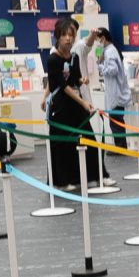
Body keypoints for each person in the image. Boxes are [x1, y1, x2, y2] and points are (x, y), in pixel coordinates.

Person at [45, 19, 102, 190]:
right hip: (61, 106)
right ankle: (61, 181)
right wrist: (83, 102)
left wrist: (82, 80)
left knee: (88, 138)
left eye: (71, 35)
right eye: (64, 35)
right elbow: (62, 85)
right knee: (62, 145)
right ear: (57, 37)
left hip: (75, 104)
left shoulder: (74, 57)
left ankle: (94, 176)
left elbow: (75, 78)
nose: (68, 39)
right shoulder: (52, 59)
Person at [91, 28, 133, 151]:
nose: (98, 43)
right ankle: (121, 146)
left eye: (98, 40)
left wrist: (100, 66)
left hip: (116, 94)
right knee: (116, 121)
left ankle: (120, 148)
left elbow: (113, 69)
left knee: (115, 122)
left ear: (103, 38)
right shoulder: (110, 50)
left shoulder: (110, 51)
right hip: (116, 93)